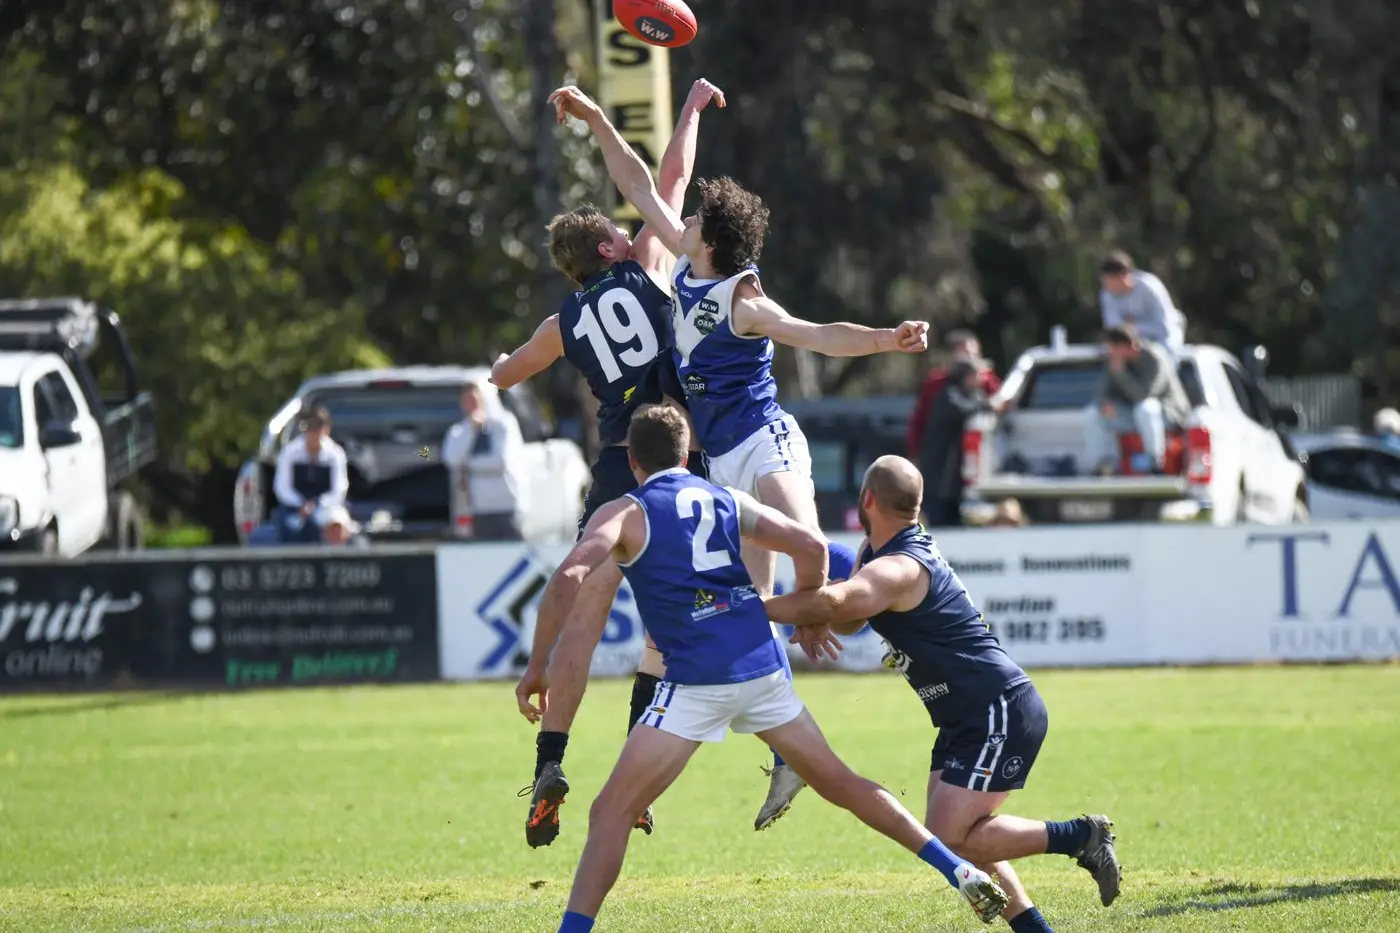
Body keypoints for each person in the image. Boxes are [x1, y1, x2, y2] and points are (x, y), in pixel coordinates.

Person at [548, 82, 928, 827]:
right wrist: (595, 117)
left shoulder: (742, 301)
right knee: (747, 611)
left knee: (810, 546)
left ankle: (892, 624)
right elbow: (638, 177)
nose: (678, 221)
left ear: (711, 241)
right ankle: (788, 752)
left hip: (764, 440)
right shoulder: (687, 267)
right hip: (718, 463)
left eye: (692, 221)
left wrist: (886, 339)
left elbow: (817, 334)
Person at [535, 406, 1009, 933]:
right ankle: (957, 868)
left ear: (632, 460)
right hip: (761, 667)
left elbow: (570, 575)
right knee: (841, 783)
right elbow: (809, 546)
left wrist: (537, 667)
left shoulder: (627, 511)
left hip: (697, 681)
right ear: (688, 451)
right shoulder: (729, 498)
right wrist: (806, 611)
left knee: (610, 813)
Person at [494, 78, 728, 846]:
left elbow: (509, 372)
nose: (636, 234)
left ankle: (550, 755)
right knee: (668, 623)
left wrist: (499, 366)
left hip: (616, 462)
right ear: (607, 249)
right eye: (621, 237)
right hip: (677, 455)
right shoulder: (646, 266)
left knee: (585, 611)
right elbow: (670, 178)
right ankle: (636, 761)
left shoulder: (561, 321)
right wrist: (688, 110)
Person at [764, 455, 1122, 933]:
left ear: (867, 499)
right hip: (964, 713)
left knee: (952, 836)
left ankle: (1081, 836)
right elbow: (850, 614)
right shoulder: (879, 555)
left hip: (995, 707)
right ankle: (1035, 928)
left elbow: (837, 602)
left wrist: (748, 609)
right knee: (960, 838)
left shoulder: (899, 566)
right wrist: (817, 616)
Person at [1089, 325, 1191, 475]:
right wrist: (1105, 404)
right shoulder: (1112, 360)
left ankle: (1155, 463)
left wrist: (1120, 372)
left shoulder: (1154, 358)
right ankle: (1103, 465)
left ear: (1127, 346)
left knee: (1145, 408)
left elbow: (1143, 395)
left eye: (1114, 347)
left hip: (1167, 415)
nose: (1111, 352)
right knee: (1093, 414)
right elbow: (1103, 392)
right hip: (1134, 416)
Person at [919, 359, 1002, 527]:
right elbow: (963, 410)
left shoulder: (970, 394)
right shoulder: (949, 395)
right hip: (939, 475)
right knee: (939, 519)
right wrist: (988, 404)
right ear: (968, 376)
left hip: (954, 478)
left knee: (954, 518)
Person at [442, 381, 527, 541]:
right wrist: (471, 431)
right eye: (467, 400)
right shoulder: (459, 431)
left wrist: (467, 465)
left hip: (507, 504)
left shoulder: (503, 424)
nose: (473, 404)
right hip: (479, 507)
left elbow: (501, 461)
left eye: (475, 399)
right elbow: (451, 460)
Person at [908, 329, 1001, 460]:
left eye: (974, 354)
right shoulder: (937, 384)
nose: (971, 358)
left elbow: (999, 401)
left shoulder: (985, 380)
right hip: (941, 452)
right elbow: (919, 420)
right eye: (965, 354)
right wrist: (915, 454)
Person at [271, 407, 349, 545]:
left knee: (336, 525)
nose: (315, 433)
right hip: (294, 506)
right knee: (288, 527)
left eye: (319, 427)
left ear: (327, 429)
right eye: (311, 428)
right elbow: (282, 487)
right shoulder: (290, 452)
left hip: (326, 506)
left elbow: (339, 489)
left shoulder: (335, 454)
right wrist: (301, 504)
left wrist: (317, 504)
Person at [1098, 250, 1186, 352]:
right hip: (1131, 341)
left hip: (1165, 336)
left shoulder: (1150, 287)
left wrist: (1131, 328)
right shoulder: (1107, 294)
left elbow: (1163, 327)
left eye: (1109, 282)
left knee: (1167, 349)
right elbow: (1114, 329)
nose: (1106, 286)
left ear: (1123, 276)